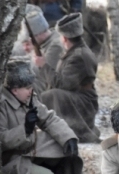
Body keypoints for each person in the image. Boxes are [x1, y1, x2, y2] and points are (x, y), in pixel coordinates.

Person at [38, 13, 100, 143]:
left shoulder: (78, 56)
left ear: (65, 38)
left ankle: (63, 131)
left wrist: (44, 66)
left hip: (84, 103)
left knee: (51, 95)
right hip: (79, 99)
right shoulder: (76, 52)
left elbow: (62, 84)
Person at [20, 4, 64, 94]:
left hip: (51, 90)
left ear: (39, 34)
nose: (30, 41)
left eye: (31, 38)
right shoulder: (44, 43)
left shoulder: (55, 46)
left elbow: (43, 75)